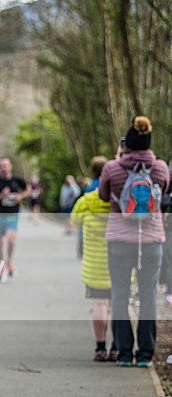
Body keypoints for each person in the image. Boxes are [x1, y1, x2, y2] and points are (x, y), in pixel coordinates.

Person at [99, 116, 169, 367]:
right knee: (148, 295)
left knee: (120, 294)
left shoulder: (112, 168)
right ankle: (145, 354)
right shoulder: (160, 167)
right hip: (151, 241)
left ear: (127, 143)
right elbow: (163, 193)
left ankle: (125, 353)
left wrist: (119, 160)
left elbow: (104, 195)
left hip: (119, 240)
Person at [71, 159, 116, 362]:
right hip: (119, 257)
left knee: (100, 302)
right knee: (118, 304)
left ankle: (100, 347)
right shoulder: (118, 196)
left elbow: (75, 221)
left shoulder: (87, 199)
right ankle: (118, 346)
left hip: (94, 262)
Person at [0, 157, 30, 282]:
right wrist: (0, 196)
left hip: (12, 215)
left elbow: (28, 190)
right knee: (0, 243)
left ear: (10, 166)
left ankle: (9, 262)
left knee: (11, 240)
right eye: (1, 166)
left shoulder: (17, 180)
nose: (4, 168)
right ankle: (1, 267)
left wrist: (20, 196)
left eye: (6, 165)